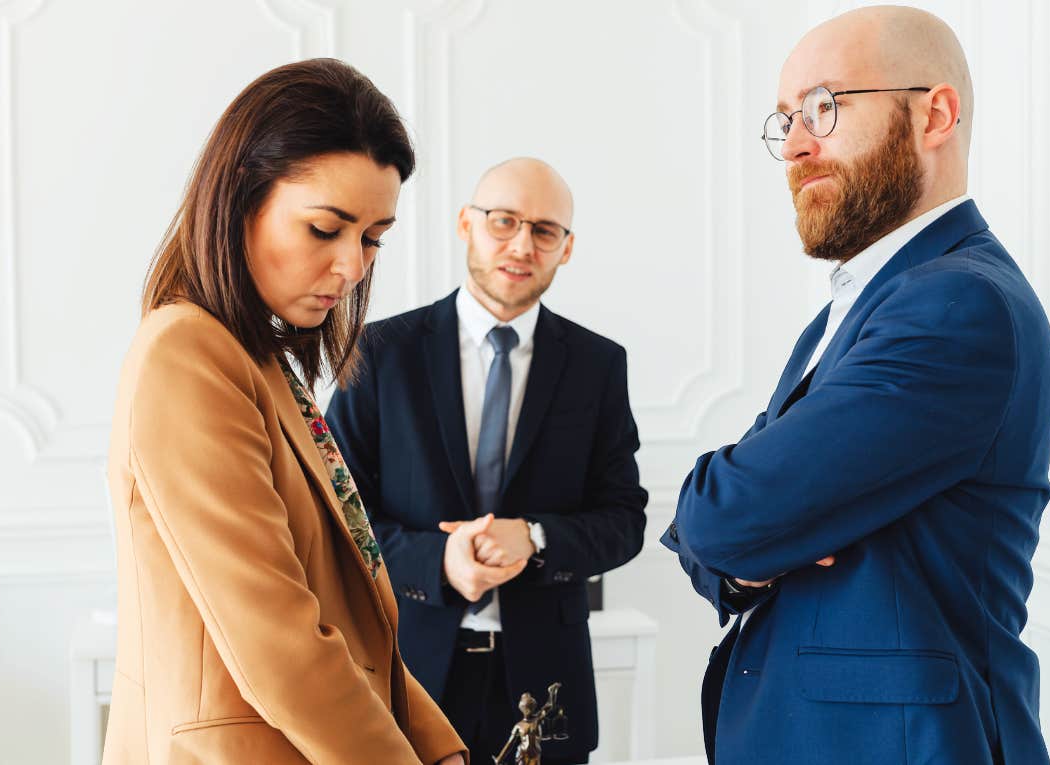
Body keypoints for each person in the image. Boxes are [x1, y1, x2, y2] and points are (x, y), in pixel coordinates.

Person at [661, 7, 1050, 764]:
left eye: (825, 106)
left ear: (934, 113)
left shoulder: (959, 305)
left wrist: (744, 530)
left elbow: (720, 518)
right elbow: (731, 527)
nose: (798, 145)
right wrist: (748, 539)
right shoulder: (861, 305)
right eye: (787, 119)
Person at [103, 58, 465, 764]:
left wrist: (432, 741)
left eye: (372, 237)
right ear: (240, 200)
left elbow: (343, 604)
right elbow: (278, 638)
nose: (355, 266)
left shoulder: (256, 358)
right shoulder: (187, 355)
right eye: (326, 229)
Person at [326, 157, 648, 765]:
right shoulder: (377, 352)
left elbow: (625, 521)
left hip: (547, 689)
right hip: (406, 674)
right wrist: (437, 560)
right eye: (503, 221)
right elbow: (336, 518)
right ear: (466, 225)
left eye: (544, 230)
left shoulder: (597, 366)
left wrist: (535, 537)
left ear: (567, 249)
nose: (522, 245)